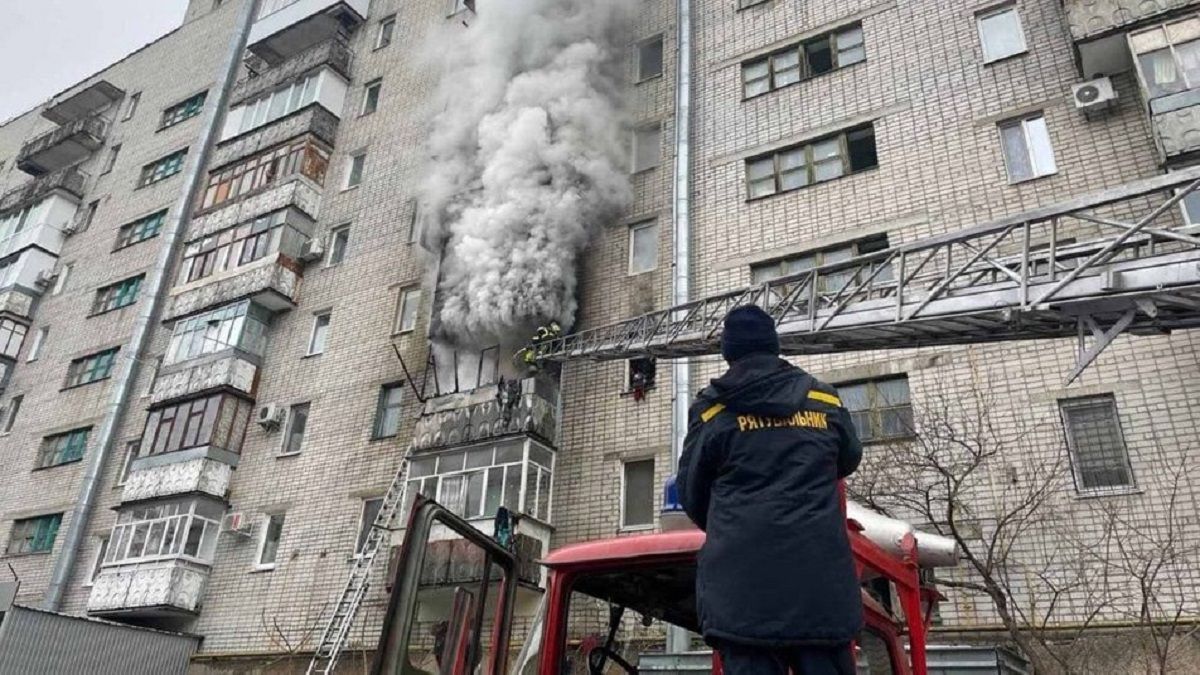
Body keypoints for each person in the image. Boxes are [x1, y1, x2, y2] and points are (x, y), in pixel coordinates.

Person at [677, 305, 863, 675]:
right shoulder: (824, 401)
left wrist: (734, 523)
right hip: (820, 596)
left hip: (742, 603)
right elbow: (848, 459)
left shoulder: (712, 410)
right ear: (774, 345)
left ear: (728, 351)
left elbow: (693, 495)